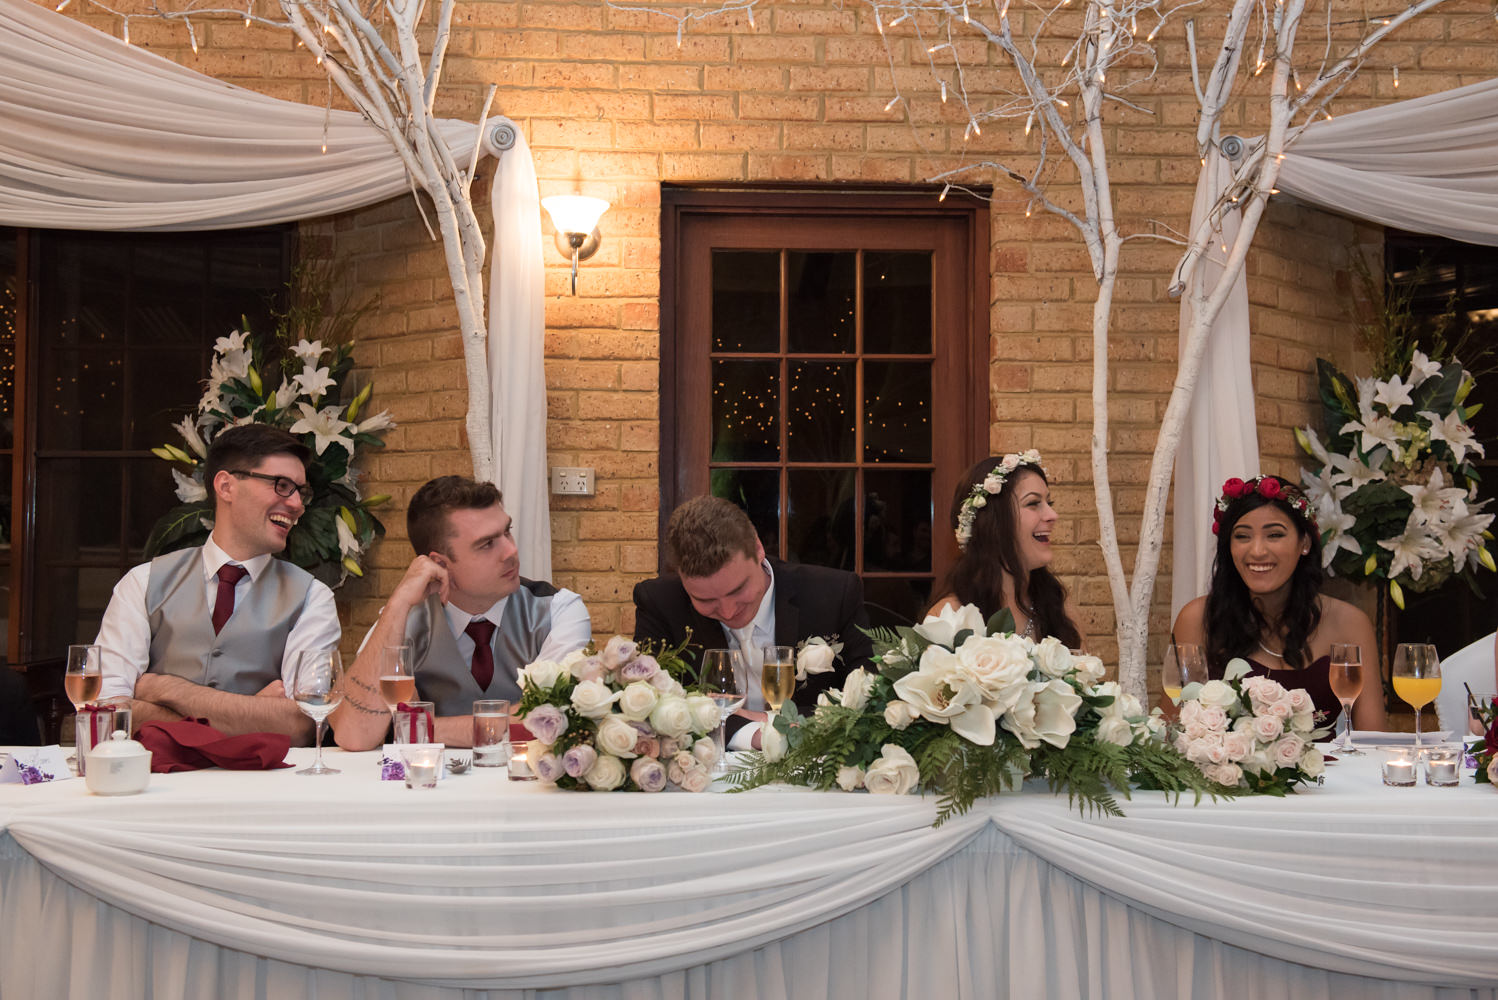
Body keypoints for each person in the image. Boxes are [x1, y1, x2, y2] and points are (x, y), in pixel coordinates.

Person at [94, 425, 341, 743]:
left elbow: (302, 724)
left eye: (301, 491)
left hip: (265, 789)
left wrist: (166, 690)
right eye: (282, 486)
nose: (296, 504)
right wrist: (255, 713)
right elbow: (106, 713)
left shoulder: (312, 598)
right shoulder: (141, 585)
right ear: (226, 486)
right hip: (155, 786)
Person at [330, 476, 591, 751]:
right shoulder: (403, 619)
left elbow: (552, 720)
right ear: (440, 564)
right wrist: (397, 604)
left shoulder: (559, 610)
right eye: (487, 544)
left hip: (527, 788)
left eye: (507, 532)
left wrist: (413, 727)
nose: (511, 550)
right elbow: (355, 735)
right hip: (431, 787)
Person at [633, 495, 873, 748]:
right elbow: (650, 705)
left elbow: (871, 700)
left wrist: (772, 725)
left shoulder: (834, 594)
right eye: (705, 599)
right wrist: (756, 734)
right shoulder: (660, 603)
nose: (727, 612)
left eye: (737, 590)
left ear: (758, 548)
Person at [1173, 475, 1386, 732]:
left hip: (1327, 772)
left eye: (1274, 535)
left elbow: (1374, 740)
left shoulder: (1350, 624)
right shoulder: (1198, 619)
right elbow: (1172, 732)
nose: (1258, 551)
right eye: (1242, 536)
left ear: (1304, 543)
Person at [927, 452, 1084, 648]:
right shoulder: (950, 616)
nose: (1053, 515)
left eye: (1048, 503)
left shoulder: (1059, 609)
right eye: (1033, 503)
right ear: (993, 522)